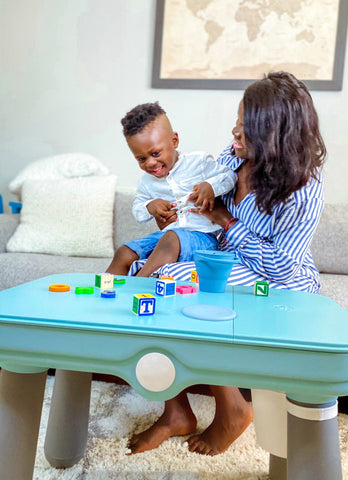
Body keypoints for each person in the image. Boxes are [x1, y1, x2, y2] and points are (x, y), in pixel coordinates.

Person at [126, 71, 327, 456]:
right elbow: (198, 197)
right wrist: (177, 212)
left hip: (281, 281)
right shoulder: (233, 159)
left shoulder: (303, 189)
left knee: (185, 285)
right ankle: (176, 411)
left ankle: (233, 407)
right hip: (229, 259)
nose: (234, 135)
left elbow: (282, 267)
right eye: (236, 124)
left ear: (274, 137)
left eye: (244, 131)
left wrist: (225, 220)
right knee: (149, 275)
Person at [106, 102, 237, 277]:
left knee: (171, 238)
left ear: (174, 141)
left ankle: (136, 288)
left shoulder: (199, 162)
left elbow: (230, 176)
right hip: (167, 238)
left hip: (203, 238)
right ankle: (100, 295)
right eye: (141, 159)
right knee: (124, 252)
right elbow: (138, 209)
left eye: (155, 154)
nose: (150, 163)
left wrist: (211, 186)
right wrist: (150, 206)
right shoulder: (147, 182)